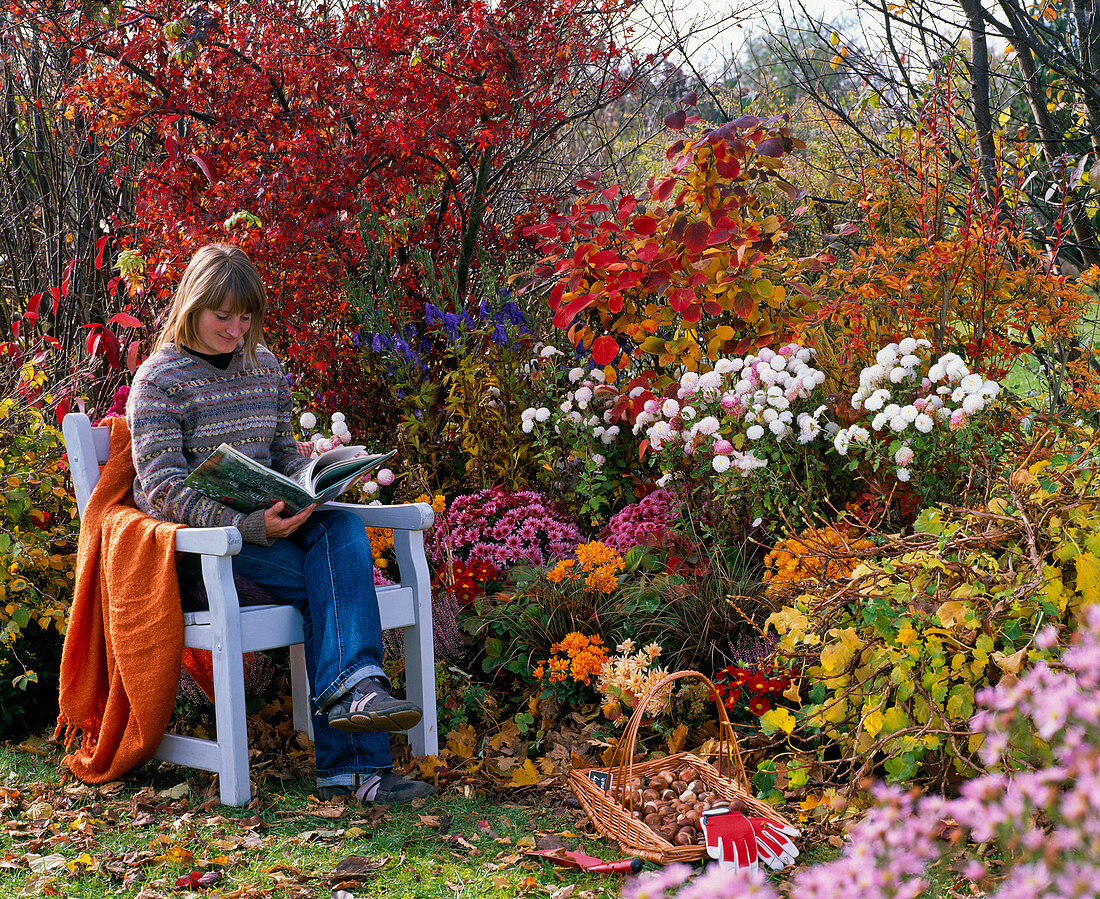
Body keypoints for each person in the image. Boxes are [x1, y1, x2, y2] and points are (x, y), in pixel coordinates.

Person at [126, 243, 434, 804]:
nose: (237, 329)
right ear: (193, 306)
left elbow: (282, 454)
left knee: (341, 528)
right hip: (210, 552)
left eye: (247, 317)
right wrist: (247, 525)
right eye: (224, 316)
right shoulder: (158, 380)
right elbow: (162, 491)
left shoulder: (264, 367)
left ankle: (351, 736)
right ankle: (357, 760)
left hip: (277, 536)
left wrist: (313, 478)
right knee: (337, 578)